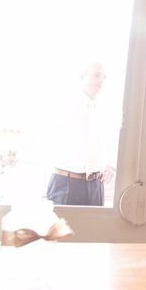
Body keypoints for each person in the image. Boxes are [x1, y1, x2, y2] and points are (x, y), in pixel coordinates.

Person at [45, 61, 117, 206]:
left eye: (104, 77)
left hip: (96, 186)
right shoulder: (63, 103)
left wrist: (110, 163)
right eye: (97, 75)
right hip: (67, 183)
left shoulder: (106, 110)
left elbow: (108, 140)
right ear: (83, 76)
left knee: (95, 229)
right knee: (64, 229)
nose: (101, 81)